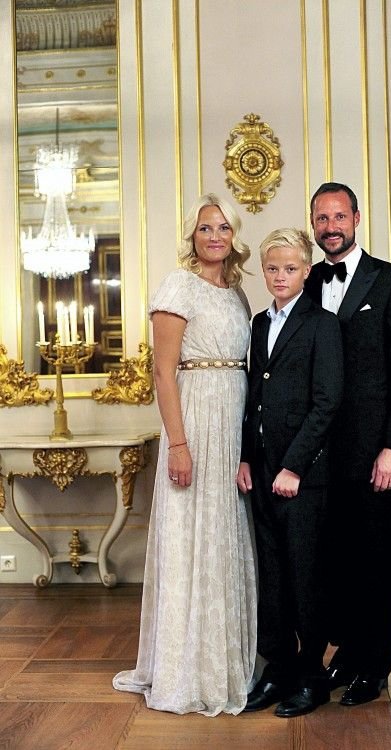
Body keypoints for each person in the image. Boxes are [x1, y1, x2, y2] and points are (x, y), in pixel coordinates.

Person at [113, 193, 257, 716]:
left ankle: (226, 659)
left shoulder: (238, 294)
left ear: (234, 236)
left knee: (224, 533)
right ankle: (186, 666)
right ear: (191, 236)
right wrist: (178, 443)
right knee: (192, 535)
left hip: (232, 424)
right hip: (194, 423)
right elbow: (162, 372)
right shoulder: (177, 285)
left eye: (223, 227)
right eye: (205, 228)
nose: (214, 235)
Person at [304, 182, 391, 706]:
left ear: (355, 217)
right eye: (321, 218)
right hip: (316, 456)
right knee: (333, 563)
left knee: (374, 560)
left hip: (373, 452)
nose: (330, 227)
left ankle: (375, 666)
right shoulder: (303, 282)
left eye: (338, 216)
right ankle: (346, 655)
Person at [237, 228, 344, 718]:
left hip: (300, 476)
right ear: (264, 272)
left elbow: (327, 404)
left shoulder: (322, 324)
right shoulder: (259, 323)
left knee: (306, 578)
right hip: (258, 471)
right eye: (272, 268)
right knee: (272, 577)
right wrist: (245, 457)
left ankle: (312, 676)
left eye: (291, 268)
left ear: (306, 270)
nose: (281, 276)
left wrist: (294, 466)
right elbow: (252, 400)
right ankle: (277, 668)